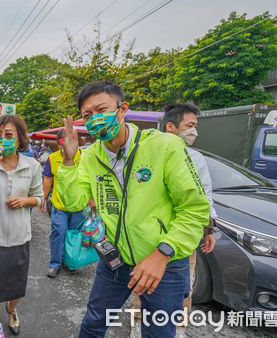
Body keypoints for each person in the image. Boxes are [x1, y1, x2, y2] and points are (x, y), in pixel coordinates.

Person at [57, 81, 210, 338]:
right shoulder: (91, 156)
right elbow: (74, 202)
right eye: (87, 115)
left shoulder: (164, 146)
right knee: (94, 322)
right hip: (116, 259)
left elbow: (194, 209)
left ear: (122, 109)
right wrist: (69, 161)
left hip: (166, 261)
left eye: (101, 109)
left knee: (158, 332)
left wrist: (162, 253)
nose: (94, 118)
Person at [129, 102, 218, 337]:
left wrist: (209, 230)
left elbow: (203, 196)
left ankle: (178, 327)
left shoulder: (196, 158)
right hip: (146, 237)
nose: (194, 132)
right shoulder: (144, 152)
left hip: (182, 238)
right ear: (171, 126)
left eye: (195, 126)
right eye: (189, 126)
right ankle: (139, 323)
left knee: (182, 286)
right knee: (142, 279)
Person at [0, 115, 43, 335]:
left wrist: (25, 201)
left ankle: (12, 310)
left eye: (9, 135)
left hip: (18, 237)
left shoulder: (31, 166)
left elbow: (39, 197)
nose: (3, 140)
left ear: (20, 139)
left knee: (17, 289)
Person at [40, 129, 84, 278]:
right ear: (59, 144)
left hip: (79, 206)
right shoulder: (52, 158)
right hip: (59, 206)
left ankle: (69, 262)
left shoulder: (84, 157)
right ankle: (55, 264)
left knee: (73, 236)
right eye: (62, 143)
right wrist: (42, 198)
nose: (65, 146)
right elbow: (48, 179)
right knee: (58, 233)